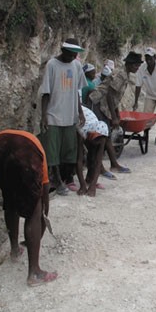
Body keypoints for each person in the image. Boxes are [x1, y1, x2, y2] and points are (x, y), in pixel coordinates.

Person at [0, 129, 58, 287]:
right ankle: (35, 273)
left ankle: (14, 250)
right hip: (25, 149)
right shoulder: (39, 156)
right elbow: (43, 189)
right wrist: (43, 209)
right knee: (34, 210)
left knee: (10, 199)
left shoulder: (30, 141)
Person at [39, 38, 87, 196]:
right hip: (54, 114)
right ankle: (57, 180)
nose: (74, 56)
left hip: (70, 114)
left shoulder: (77, 65)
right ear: (63, 50)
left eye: (76, 54)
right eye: (71, 53)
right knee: (52, 151)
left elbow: (77, 92)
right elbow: (45, 91)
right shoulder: (52, 65)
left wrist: (80, 112)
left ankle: (65, 178)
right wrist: (44, 115)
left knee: (69, 151)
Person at [89, 51, 144, 175]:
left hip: (104, 105)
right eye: (136, 65)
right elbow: (109, 94)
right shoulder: (121, 75)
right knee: (101, 135)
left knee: (106, 135)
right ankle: (100, 167)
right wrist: (114, 117)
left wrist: (116, 113)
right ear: (129, 64)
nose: (137, 68)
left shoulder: (125, 74)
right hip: (98, 103)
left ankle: (113, 164)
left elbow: (115, 97)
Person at [133, 47, 156, 145]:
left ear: (155, 58)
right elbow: (138, 85)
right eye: (147, 58)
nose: (148, 60)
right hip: (150, 95)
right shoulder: (142, 68)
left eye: (150, 58)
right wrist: (135, 101)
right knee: (146, 115)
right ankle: (145, 134)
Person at [76, 106, 109, 197]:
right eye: (96, 141)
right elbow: (78, 160)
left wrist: (93, 186)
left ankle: (90, 180)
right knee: (83, 155)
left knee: (94, 155)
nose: (98, 143)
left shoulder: (102, 135)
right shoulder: (82, 131)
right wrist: (82, 186)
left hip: (89, 121)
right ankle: (85, 182)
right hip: (74, 115)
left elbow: (99, 162)